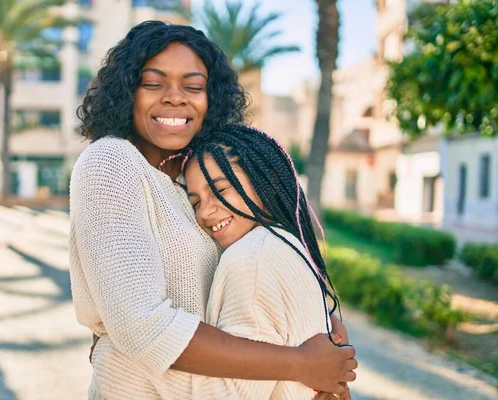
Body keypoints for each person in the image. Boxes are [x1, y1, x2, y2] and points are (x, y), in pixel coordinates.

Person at [69, 21, 356, 399]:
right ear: (127, 93)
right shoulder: (112, 162)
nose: (175, 97)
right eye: (154, 83)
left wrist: (316, 321)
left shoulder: (195, 175)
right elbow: (142, 326)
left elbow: (260, 259)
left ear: (211, 99)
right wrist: (298, 362)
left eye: (193, 86)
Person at [180, 124, 350, 399]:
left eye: (220, 189)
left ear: (263, 180)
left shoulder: (249, 258)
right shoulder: (286, 244)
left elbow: (232, 393)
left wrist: (120, 359)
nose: (206, 211)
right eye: (195, 201)